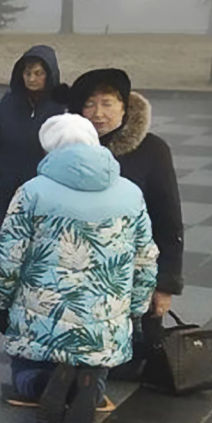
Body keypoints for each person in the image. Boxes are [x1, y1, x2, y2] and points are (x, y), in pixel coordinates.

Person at [0, 114, 159, 423]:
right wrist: (136, 310)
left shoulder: (32, 192)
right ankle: (90, 384)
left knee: (25, 370)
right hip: (105, 319)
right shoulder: (130, 193)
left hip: (43, 316)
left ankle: (43, 383)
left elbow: (7, 257)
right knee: (97, 357)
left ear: (51, 149)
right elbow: (145, 258)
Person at [69, 68, 185, 378]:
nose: (98, 113)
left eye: (108, 103)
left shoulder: (152, 151)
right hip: (78, 275)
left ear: (124, 106)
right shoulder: (68, 151)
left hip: (132, 276)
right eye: (90, 104)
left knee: (126, 367)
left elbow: (168, 219)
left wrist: (165, 284)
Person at [0, 45, 64, 240]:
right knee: (6, 238)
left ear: (49, 74)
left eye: (38, 73)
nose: (32, 79)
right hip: (7, 182)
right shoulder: (9, 101)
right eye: (27, 73)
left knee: (39, 240)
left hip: (43, 185)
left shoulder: (60, 105)